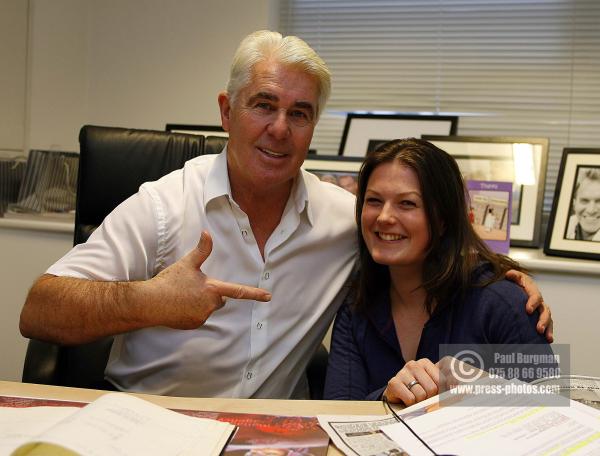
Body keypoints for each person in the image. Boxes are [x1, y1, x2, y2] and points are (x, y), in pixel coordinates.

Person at [19, 31, 551, 399]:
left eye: (299, 113)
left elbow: (423, 227)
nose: (280, 128)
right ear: (227, 111)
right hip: (151, 420)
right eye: (264, 105)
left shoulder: (347, 221)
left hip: (270, 434)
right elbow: (38, 310)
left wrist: (503, 278)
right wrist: (147, 300)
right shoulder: (164, 205)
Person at [323, 138, 551, 405]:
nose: (384, 217)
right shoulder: (357, 303)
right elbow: (339, 411)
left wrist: (481, 392)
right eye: (374, 201)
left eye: (407, 203)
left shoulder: (505, 304)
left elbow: (550, 417)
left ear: (443, 220)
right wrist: (387, 396)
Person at [565, 168, 600, 241]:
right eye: (584, 201)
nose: (591, 210)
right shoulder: (564, 227)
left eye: (599, 201)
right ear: (574, 203)